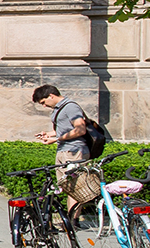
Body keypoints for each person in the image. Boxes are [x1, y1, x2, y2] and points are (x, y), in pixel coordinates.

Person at [34, 83, 100, 213]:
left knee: (75, 187)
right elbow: (67, 129)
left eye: (44, 102)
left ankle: (72, 220)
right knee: (68, 187)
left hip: (74, 151)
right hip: (66, 150)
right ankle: (71, 219)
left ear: (51, 96)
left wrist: (56, 139)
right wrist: (49, 134)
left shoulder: (70, 107)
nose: (44, 106)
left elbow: (80, 130)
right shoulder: (61, 108)